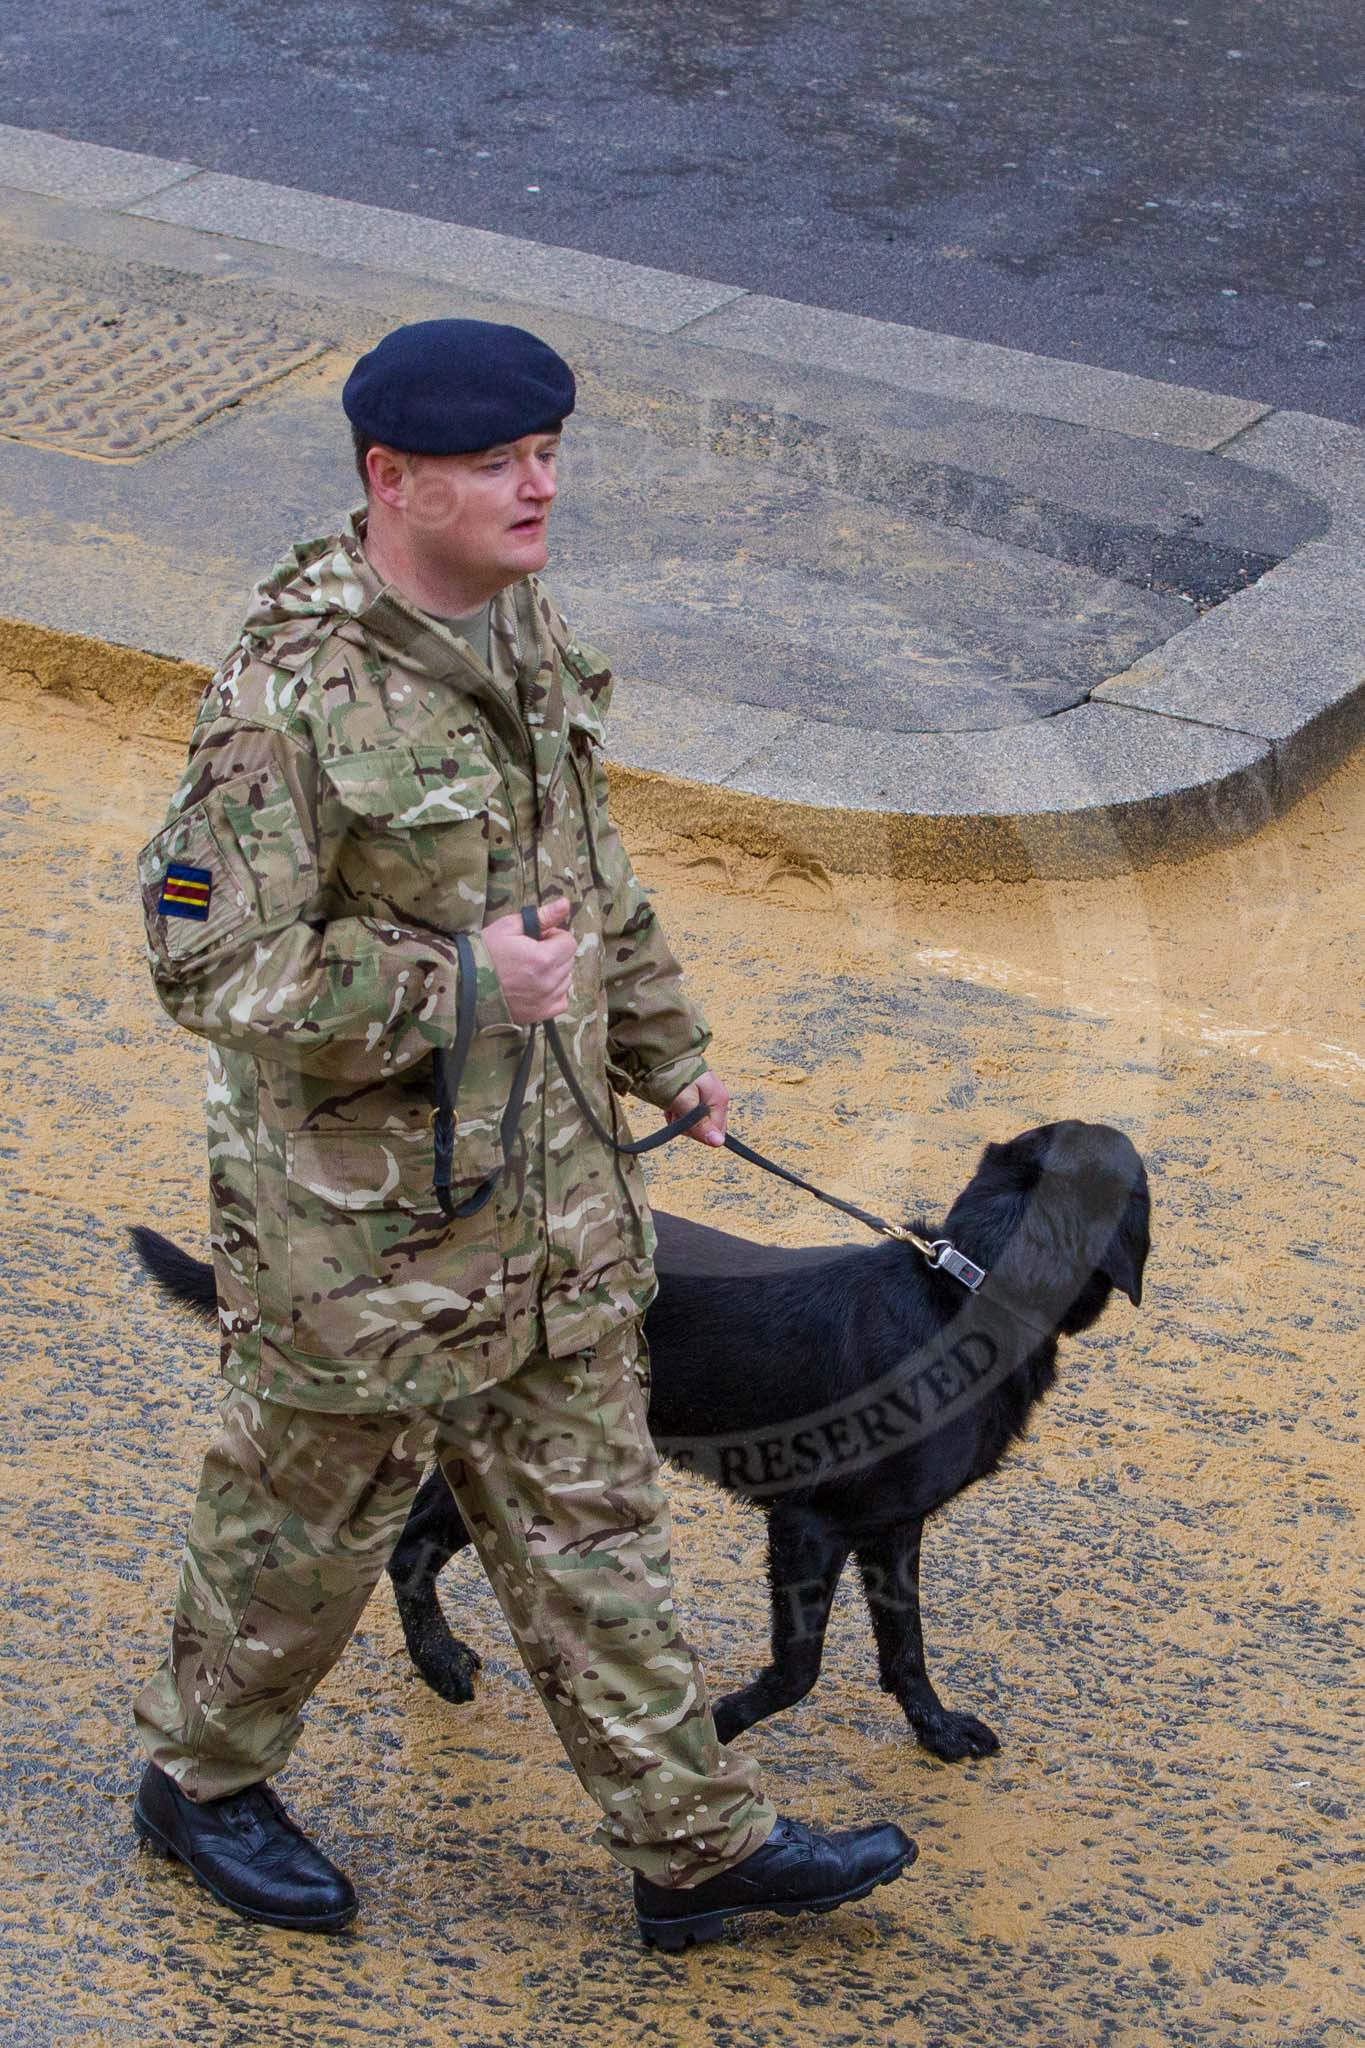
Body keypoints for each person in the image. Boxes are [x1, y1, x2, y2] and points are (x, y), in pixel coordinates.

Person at [130, 317, 915, 1949]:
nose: (538, 485)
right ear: (390, 478)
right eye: (497, 461)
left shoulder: (518, 630)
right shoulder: (287, 699)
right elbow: (203, 962)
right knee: (303, 1535)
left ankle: (690, 1847)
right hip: (361, 1239)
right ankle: (200, 1782)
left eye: (549, 452)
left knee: (592, 1527)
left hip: (549, 1205)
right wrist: (458, 980)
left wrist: (665, 1053)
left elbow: (588, 871)